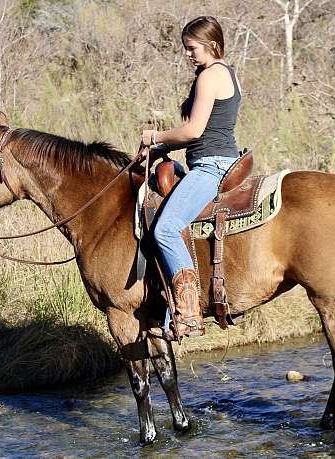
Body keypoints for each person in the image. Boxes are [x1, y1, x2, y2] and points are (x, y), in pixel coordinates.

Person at [141, 15, 242, 339]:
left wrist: (155, 138)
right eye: (186, 48)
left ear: (211, 44)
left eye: (191, 47)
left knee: (166, 229)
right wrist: (161, 150)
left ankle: (188, 314)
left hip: (212, 165)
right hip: (213, 159)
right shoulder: (225, 73)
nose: (187, 54)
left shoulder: (210, 76)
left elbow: (195, 130)